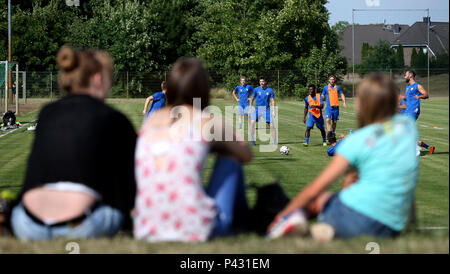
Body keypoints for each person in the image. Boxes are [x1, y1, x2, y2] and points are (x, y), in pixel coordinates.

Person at [268, 74, 419, 239]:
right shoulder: (408, 128)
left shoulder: (358, 140)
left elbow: (315, 188)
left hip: (362, 220)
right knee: (341, 188)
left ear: (365, 105)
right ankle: (326, 229)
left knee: (318, 200)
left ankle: (306, 230)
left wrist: (281, 216)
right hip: (393, 224)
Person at [10, 46, 137, 241]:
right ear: (97, 78)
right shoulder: (112, 118)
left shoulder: (47, 113)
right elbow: (128, 181)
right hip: (81, 225)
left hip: (27, 223)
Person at [133, 58, 252, 242]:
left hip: (147, 227)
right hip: (194, 227)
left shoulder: (151, 120)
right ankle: (245, 226)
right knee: (231, 161)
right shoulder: (204, 120)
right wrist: (222, 144)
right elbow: (246, 154)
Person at [402, 70, 435, 154]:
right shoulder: (408, 87)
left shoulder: (418, 86)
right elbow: (408, 98)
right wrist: (404, 99)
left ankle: (414, 151)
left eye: (405, 75)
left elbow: (426, 95)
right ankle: (428, 147)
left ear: (410, 75)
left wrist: (419, 96)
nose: (404, 76)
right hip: (407, 111)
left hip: (413, 111)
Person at [249, 76, 277, 146]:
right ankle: (252, 140)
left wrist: (274, 110)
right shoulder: (256, 89)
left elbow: (272, 100)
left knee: (271, 125)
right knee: (252, 123)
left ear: (265, 82)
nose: (261, 83)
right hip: (257, 110)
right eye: (260, 81)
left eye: (263, 81)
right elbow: (252, 99)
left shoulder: (270, 90)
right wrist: (250, 108)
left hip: (266, 110)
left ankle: (275, 141)